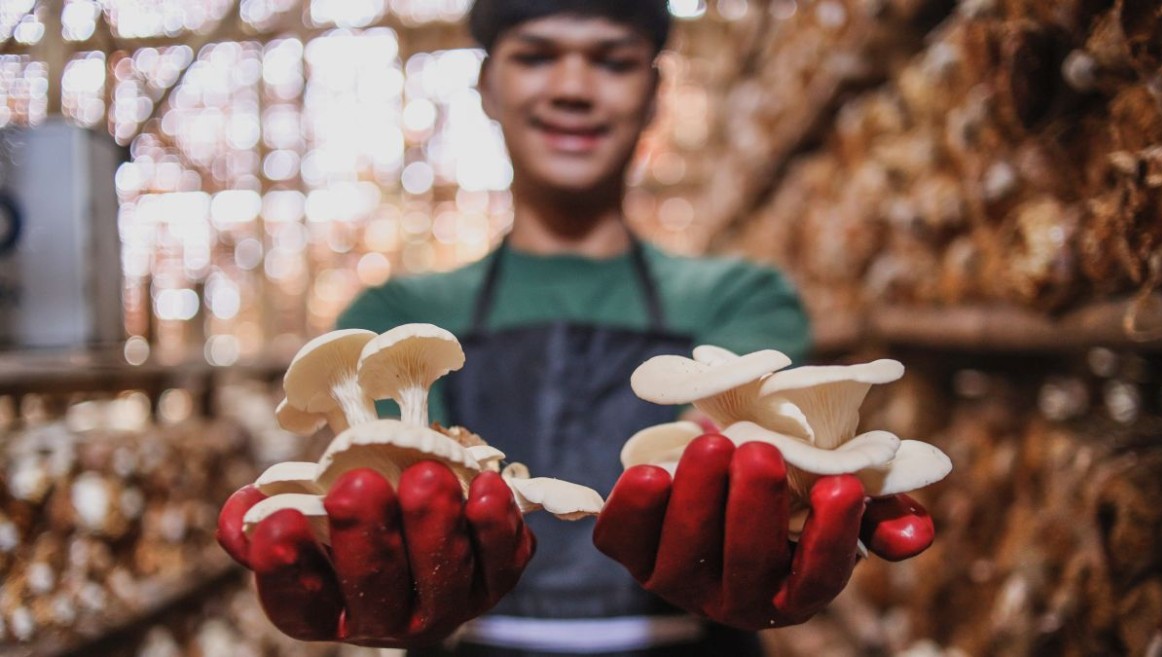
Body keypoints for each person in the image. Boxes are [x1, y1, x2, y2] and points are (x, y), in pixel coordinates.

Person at [217, 1, 935, 655]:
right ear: (487, 88)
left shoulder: (743, 296)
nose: (572, 87)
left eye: (612, 60)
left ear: (654, 93)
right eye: (535, 55)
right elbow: (398, 471)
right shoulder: (390, 316)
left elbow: (722, 449)